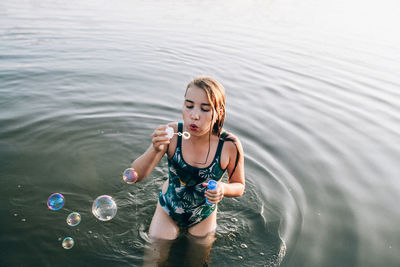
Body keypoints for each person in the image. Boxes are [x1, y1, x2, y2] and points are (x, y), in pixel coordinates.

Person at [131, 76, 245, 265]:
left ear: (219, 112)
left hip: (203, 215)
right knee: (151, 262)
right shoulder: (172, 134)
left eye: (205, 109)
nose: (194, 115)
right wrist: (155, 149)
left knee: (196, 263)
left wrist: (222, 188)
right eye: (189, 105)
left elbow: (239, 185)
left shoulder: (229, 146)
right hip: (167, 208)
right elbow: (135, 176)